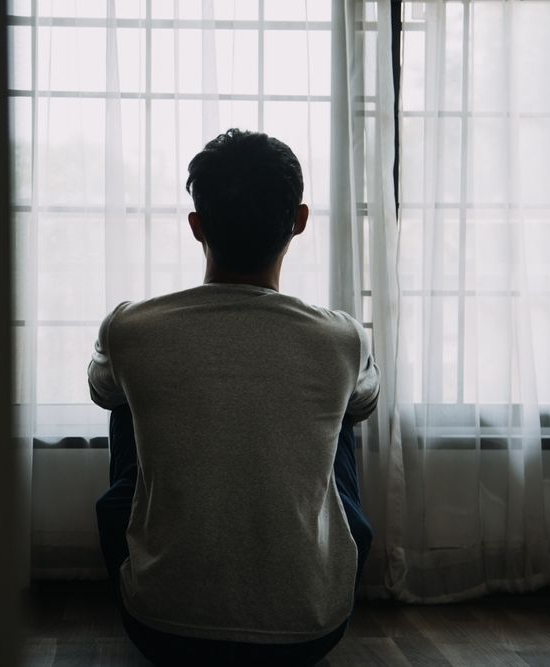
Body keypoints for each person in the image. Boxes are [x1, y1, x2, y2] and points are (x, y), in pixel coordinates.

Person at [89, 128, 379, 666]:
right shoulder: (342, 336)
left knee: (128, 396)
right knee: (336, 411)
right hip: (310, 630)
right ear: (299, 220)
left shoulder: (132, 326)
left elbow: (99, 389)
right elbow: (366, 403)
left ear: (196, 225)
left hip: (161, 628)